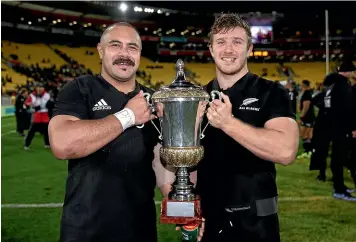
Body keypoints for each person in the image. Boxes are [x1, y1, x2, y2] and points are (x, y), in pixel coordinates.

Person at [160, 13, 299, 242]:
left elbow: (285, 151)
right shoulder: (197, 98)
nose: (228, 49)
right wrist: (188, 208)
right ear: (212, 49)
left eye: (237, 42)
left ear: (250, 49)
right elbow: (187, 164)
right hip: (209, 223)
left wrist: (228, 123)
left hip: (256, 225)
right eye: (221, 42)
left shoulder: (271, 92)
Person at [49, 22, 168, 242]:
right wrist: (128, 116)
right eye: (116, 45)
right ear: (100, 50)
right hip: (86, 230)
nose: (125, 53)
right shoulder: (80, 88)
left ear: (140, 54)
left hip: (140, 230)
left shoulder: (155, 101)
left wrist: (172, 194)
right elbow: (62, 143)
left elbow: (159, 159)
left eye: (132, 47)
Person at [316, 60, 356, 201]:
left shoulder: (331, 85)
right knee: (339, 158)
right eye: (352, 71)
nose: (353, 74)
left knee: (336, 157)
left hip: (331, 126)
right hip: (341, 126)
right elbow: (348, 108)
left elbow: (324, 103)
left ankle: (340, 186)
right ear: (347, 71)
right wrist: (352, 127)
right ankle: (339, 189)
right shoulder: (342, 85)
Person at [24, 85, 51, 149]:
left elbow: (49, 103)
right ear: (36, 89)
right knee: (32, 131)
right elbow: (26, 103)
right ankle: (26, 144)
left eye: (41, 89)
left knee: (47, 131)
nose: (40, 90)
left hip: (45, 115)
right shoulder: (32, 95)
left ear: (43, 89)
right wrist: (32, 105)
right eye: (38, 89)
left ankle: (47, 144)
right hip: (37, 115)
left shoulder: (47, 95)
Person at [298, 80, 315, 157]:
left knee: (304, 134)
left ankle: (308, 151)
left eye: (301, 85)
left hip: (307, 117)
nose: (300, 87)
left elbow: (306, 106)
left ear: (304, 85)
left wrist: (302, 116)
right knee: (308, 135)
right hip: (309, 116)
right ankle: (310, 151)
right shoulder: (307, 93)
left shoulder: (306, 94)